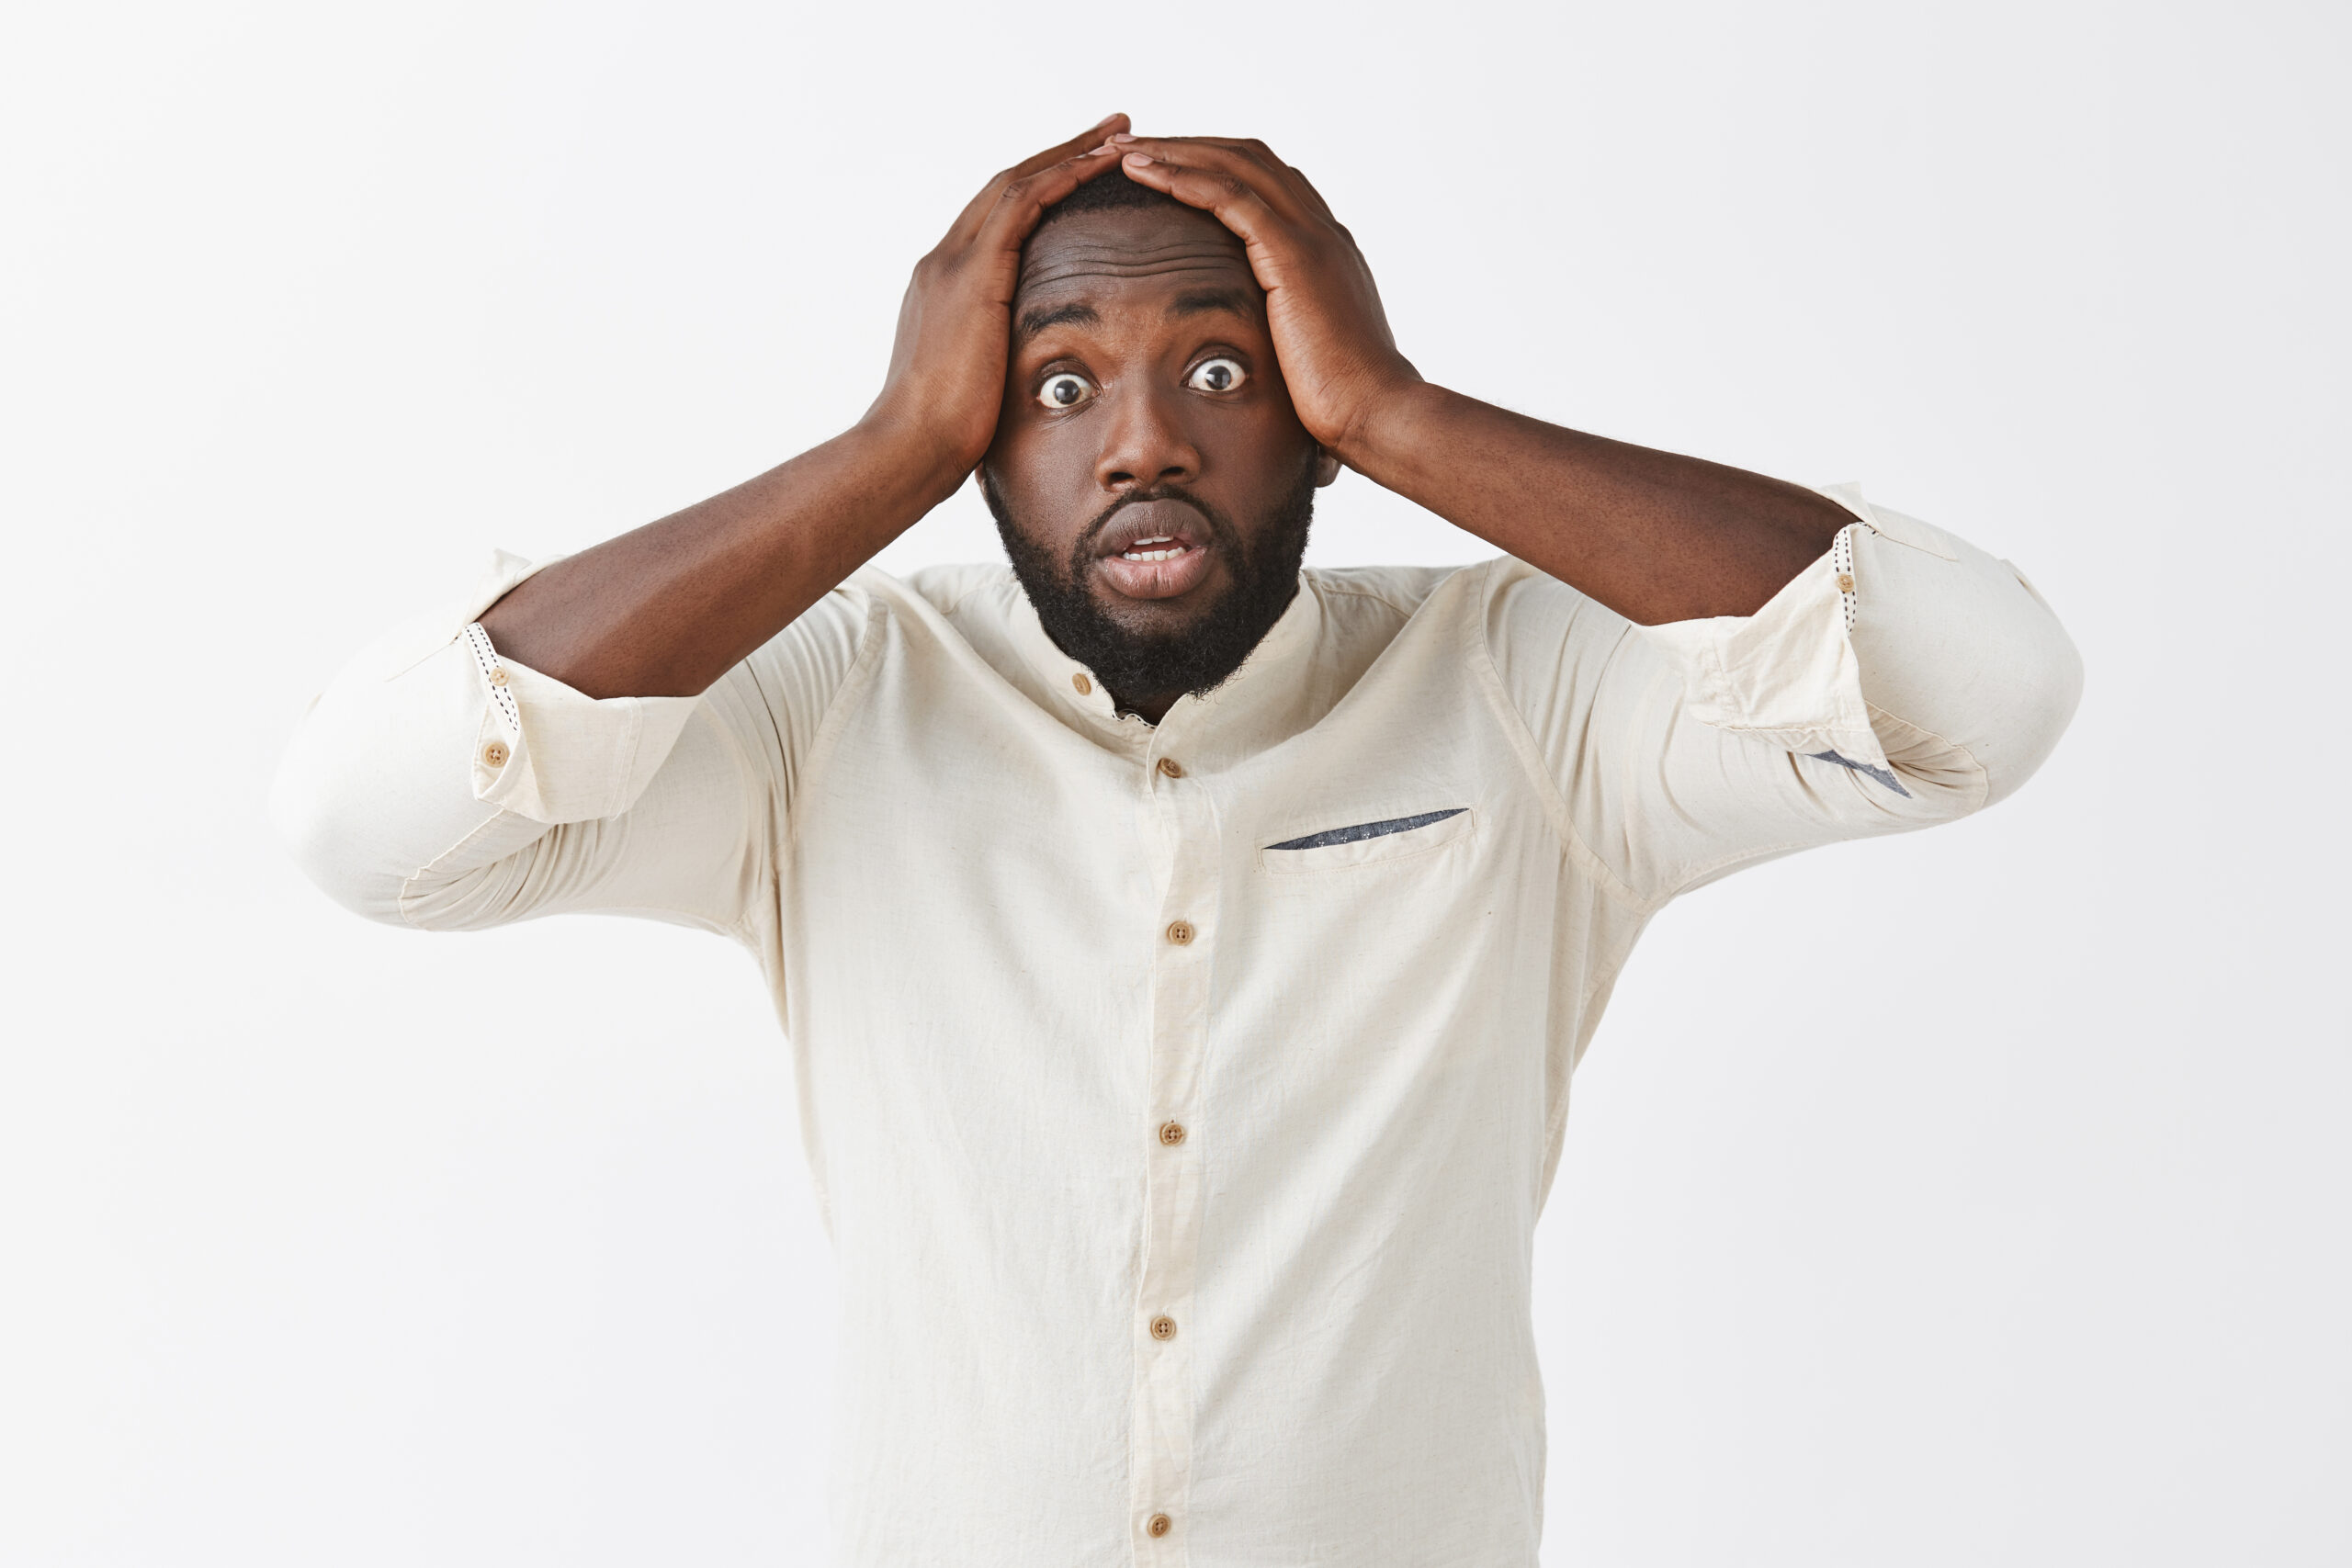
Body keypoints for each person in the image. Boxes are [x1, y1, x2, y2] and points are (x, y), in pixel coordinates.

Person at [272, 113, 2082, 1566]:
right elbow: (377, 821)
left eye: (1223, 375)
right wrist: (887, 442)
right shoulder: (821, 709)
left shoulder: (1526, 696)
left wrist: (1405, 412)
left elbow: (1974, 696)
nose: (1141, 442)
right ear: (982, 453)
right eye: (1056, 389)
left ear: (1308, 424)